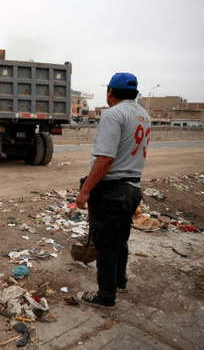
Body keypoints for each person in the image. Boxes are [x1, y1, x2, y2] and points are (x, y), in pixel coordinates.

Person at [75, 72, 150, 309]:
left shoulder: (114, 114)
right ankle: (119, 281)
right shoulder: (143, 115)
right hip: (132, 188)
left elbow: (105, 159)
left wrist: (85, 190)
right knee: (120, 239)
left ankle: (106, 297)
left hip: (111, 190)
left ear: (110, 92)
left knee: (106, 244)